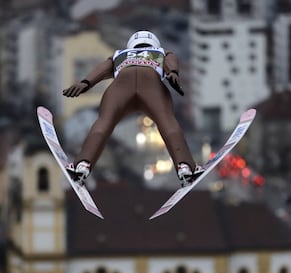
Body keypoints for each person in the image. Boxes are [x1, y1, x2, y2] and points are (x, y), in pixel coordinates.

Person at [62, 30, 203, 187]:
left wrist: (85, 83)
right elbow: (171, 59)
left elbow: (102, 69)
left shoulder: (120, 54)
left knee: (103, 123)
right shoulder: (160, 52)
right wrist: (173, 72)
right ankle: (185, 166)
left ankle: (82, 164)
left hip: (121, 87)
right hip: (151, 85)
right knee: (167, 123)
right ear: (154, 44)